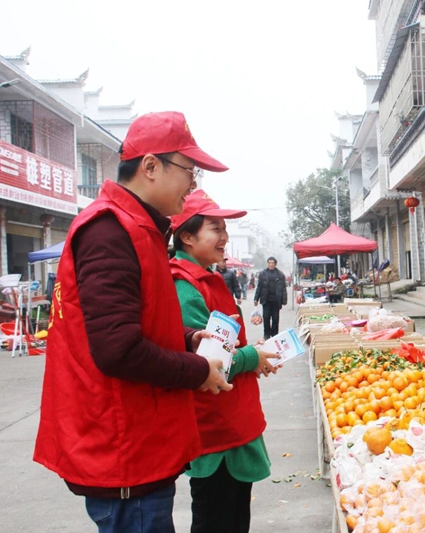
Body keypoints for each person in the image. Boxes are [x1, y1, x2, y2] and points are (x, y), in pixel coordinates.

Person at [34, 111, 233, 533]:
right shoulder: (110, 230)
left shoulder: (139, 228)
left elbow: (133, 324)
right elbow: (117, 349)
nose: (193, 185)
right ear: (149, 167)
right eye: (189, 172)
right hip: (123, 447)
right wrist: (197, 369)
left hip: (141, 440)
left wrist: (187, 339)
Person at [169, 190, 280, 533]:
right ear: (187, 236)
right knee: (216, 520)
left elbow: (228, 346)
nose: (225, 237)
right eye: (214, 229)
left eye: (224, 228)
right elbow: (211, 362)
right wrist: (252, 356)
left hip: (232, 418)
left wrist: (254, 354)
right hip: (215, 428)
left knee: (234, 518)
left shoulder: (210, 278)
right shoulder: (185, 288)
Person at [253, 257, 287, 340]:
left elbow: (283, 288)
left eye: (272, 263)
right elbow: (259, 287)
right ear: (267, 264)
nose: (271, 264)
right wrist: (256, 299)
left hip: (276, 300)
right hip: (266, 300)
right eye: (269, 263)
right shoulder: (263, 274)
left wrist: (284, 299)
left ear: (275, 264)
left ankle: (274, 334)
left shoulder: (280, 274)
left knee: (275, 318)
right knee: (266, 317)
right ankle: (266, 334)